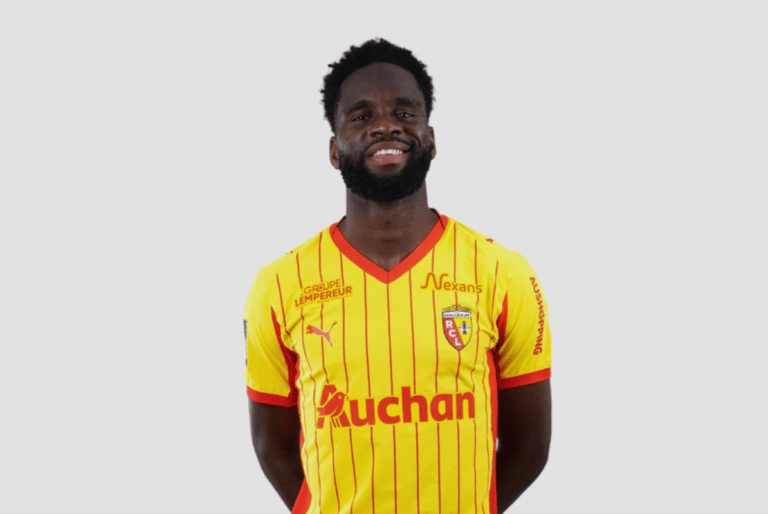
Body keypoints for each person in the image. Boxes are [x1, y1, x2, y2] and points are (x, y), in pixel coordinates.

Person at [244, 38, 552, 514]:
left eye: (405, 113)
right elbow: (272, 445)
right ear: (334, 149)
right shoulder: (279, 285)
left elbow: (529, 444)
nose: (386, 125)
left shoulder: (503, 273)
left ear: (431, 139)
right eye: (361, 116)